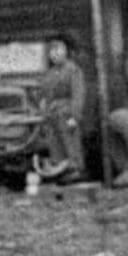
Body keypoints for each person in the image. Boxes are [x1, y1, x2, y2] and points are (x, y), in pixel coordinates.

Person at [36, 36, 88, 184]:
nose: (54, 54)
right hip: (52, 115)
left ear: (65, 52)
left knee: (71, 143)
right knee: (55, 145)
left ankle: (75, 170)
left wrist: (74, 117)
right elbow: (44, 95)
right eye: (51, 51)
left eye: (58, 50)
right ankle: (60, 170)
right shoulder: (50, 74)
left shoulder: (73, 70)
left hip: (67, 114)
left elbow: (78, 95)